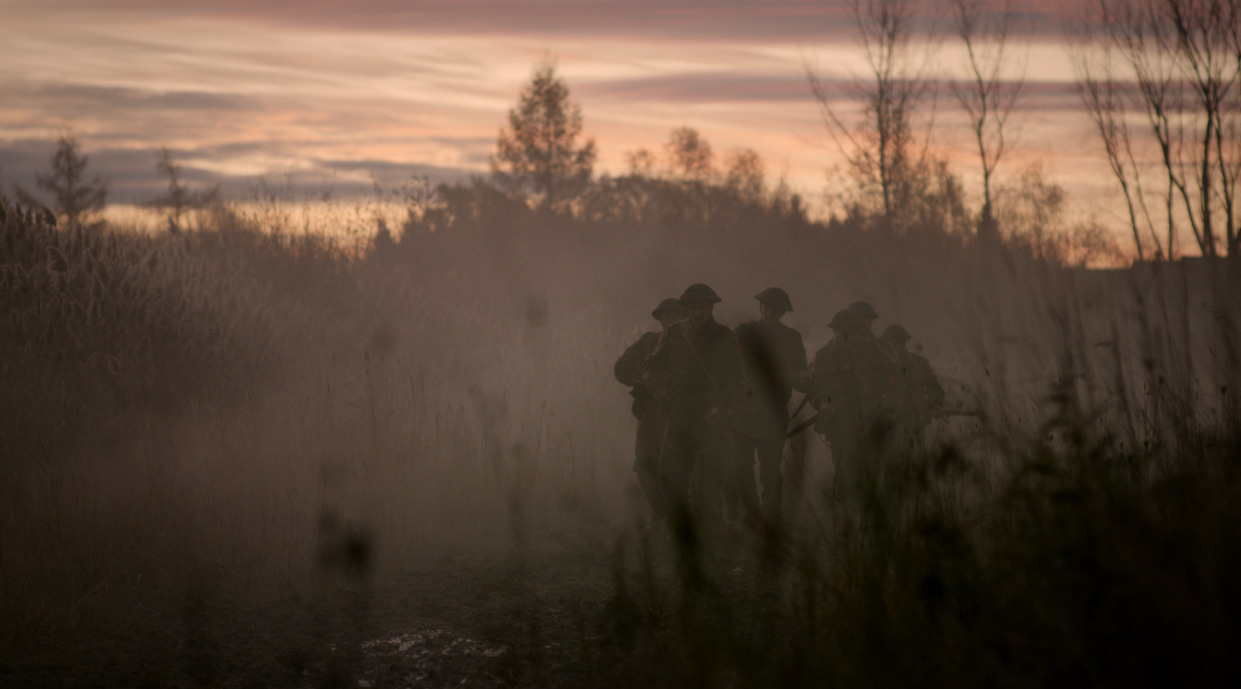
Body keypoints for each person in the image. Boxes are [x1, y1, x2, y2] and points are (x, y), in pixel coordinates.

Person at [644, 283, 744, 544]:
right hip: (680, 414)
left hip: (713, 416)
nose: (697, 313)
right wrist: (656, 387)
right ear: (686, 309)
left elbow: (737, 381)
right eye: (692, 308)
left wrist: (720, 407)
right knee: (669, 472)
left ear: (711, 307)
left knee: (711, 480)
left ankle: (710, 534)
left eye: (701, 307)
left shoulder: (726, 336)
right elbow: (653, 365)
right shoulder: (676, 332)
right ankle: (679, 528)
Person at [730, 287, 810, 524]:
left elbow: (801, 381)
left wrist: (804, 378)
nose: (770, 312)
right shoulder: (743, 332)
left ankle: (772, 516)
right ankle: (752, 514)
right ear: (760, 307)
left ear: (783, 312)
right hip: (744, 409)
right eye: (767, 306)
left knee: (770, 468)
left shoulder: (792, 338)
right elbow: (730, 367)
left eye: (776, 309)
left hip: (774, 410)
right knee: (742, 466)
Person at [808, 308, 901, 511]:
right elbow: (814, 387)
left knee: (869, 468)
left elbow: (895, 374)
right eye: (839, 331)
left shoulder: (874, 351)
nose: (843, 336)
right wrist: (823, 404)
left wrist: (872, 387)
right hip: (838, 423)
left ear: (857, 332)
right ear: (833, 332)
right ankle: (848, 516)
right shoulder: (823, 355)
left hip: (869, 421)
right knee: (842, 470)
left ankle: (869, 512)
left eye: (848, 331)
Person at [614, 298, 687, 527]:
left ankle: (681, 516)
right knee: (644, 468)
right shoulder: (648, 341)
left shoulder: (692, 345)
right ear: (661, 319)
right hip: (650, 417)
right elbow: (621, 368)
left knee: (681, 470)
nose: (671, 320)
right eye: (667, 316)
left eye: (676, 315)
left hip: (682, 417)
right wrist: (646, 387)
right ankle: (658, 511)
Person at [881, 324, 945, 449]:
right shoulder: (879, 365)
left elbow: (936, 390)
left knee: (917, 459)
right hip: (886, 424)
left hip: (915, 422)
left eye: (899, 343)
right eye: (892, 343)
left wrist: (933, 405)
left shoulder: (920, 364)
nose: (897, 346)